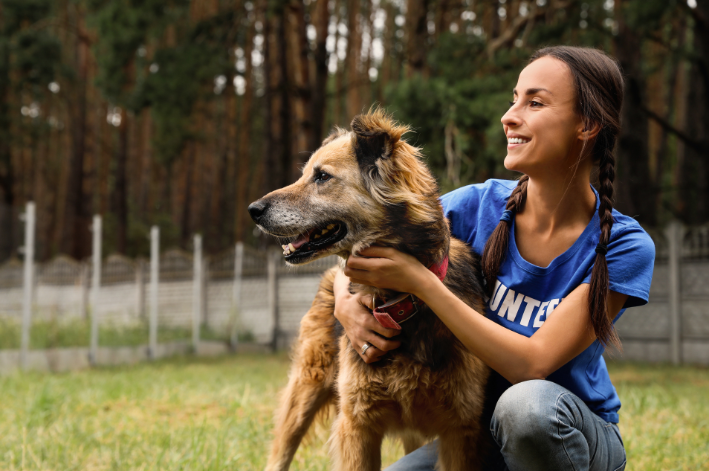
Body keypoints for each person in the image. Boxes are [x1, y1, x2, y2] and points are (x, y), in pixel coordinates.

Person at [332, 46, 655, 471]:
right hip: (481, 437)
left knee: (526, 409)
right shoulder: (474, 206)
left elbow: (533, 364)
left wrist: (422, 283)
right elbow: (377, 239)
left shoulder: (623, 245)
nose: (510, 115)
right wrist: (345, 301)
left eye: (534, 102)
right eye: (513, 98)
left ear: (587, 124)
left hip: (568, 435)